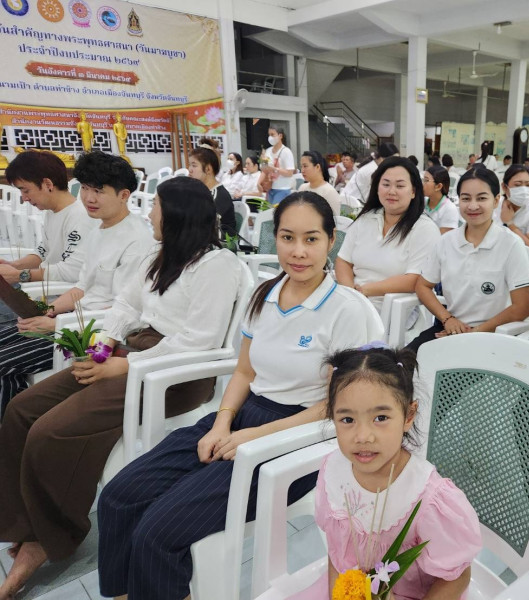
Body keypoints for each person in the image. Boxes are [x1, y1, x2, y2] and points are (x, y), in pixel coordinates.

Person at [96, 192, 384, 600]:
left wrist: (253, 437)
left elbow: (339, 408)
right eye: (287, 238)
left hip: (299, 436)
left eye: (311, 239)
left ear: (331, 240)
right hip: (244, 415)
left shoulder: (347, 310)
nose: (298, 252)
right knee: (119, 496)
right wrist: (221, 423)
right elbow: (245, 371)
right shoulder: (265, 295)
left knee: (158, 530)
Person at [0, 177, 245, 598]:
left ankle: (48, 537)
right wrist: (102, 349)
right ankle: (24, 524)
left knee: (50, 430)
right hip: (132, 352)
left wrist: (126, 365)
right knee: (21, 409)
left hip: (177, 374)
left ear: (177, 215)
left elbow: (199, 341)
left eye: (157, 208)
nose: (150, 214)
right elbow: (127, 305)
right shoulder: (160, 254)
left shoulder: (218, 266)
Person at [285, 345, 481, 600]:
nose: (363, 436)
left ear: (408, 415)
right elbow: (337, 552)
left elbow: (457, 577)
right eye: (347, 420)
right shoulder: (333, 472)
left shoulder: (428, 499)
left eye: (380, 418)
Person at [0, 151, 153, 417]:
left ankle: (15, 421)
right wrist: (49, 313)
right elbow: (80, 288)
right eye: (85, 188)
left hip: (97, 336)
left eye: (99, 191)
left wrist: (58, 324)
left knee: (3, 362)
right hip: (73, 321)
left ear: (124, 195)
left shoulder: (138, 241)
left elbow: (126, 313)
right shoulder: (98, 230)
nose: (89, 198)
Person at [408, 168, 529, 351]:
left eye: (481, 198)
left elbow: (523, 307)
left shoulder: (511, 244)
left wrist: (476, 332)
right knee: (402, 362)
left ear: (496, 200)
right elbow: (423, 286)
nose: (473, 206)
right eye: (466, 199)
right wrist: (447, 319)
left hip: (495, 335)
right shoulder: (446, 241)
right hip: (450, 329)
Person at [336, 156, 440, 311]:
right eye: (385, 184)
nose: (391, 191)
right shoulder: (365, 219)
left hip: (395, 309)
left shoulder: (425, 229)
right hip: (353, 302)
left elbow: (416, 279)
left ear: (413, 191)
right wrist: (351, 294)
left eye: (400, 186)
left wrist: (365, 291)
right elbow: (343, 261)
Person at [1, 151, 95, 288]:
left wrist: (19, 275)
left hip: (59, 293)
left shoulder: (81, 217)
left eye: (26, 191)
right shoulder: (52, 212)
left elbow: (73, 271)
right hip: (45, 286)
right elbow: (43, 252)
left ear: (47, 184)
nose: (24, 198)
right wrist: (13, 266)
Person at [188, 138, 237, 239]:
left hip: (219, 246)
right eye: (190, 165)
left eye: (194, 165)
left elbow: (203, 229)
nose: (190, 170)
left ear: (208, 169)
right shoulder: (202, 192)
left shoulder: (218, 196)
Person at [298, 150, 342, 215]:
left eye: (305, 166)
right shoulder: (302, 188)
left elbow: (334, 219)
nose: (302, 170)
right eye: (301, 166)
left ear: (317, 167)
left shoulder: (329, 192)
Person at [260, 127, 296, 205]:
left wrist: (274, 169)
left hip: (282, 189)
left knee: (276, 211)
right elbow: (263, 169)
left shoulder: (286, 151)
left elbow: (290, 173)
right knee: (267, 211)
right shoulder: (268, 151)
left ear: (280, 136)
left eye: (272, 134)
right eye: (269, 135)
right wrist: (263, 162)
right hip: (270, 187)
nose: (270, 137)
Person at [423, 165, 459, 234]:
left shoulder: (449, 209)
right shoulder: (423, 202)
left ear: (438, 186)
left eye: (426, 180)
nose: (422, 184)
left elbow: (444, 237)